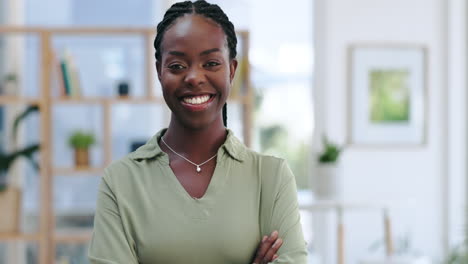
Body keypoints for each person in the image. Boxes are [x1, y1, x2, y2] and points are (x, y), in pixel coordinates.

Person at [88, 1, 307, 263]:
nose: (193, 77)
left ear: (232, 70)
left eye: (211, 63)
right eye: (178, 66)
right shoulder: (121, 182)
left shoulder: (270, 179)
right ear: (159, 71)